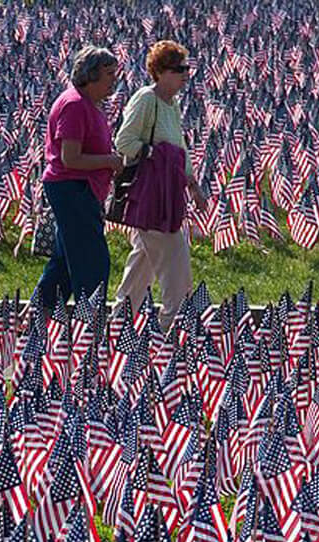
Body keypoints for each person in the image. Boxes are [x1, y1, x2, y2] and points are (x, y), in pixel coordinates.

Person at [113, 40, 209, 328]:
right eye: (180, 69)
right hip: (152, 197)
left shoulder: (171, 105)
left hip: (169, 193)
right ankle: (172, 333)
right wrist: (155, 153)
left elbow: (179, 148)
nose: (185, 76)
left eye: (186, 70)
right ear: (162, 71)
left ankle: (117, 327)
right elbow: (124, 141)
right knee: (176, 270)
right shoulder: (146, 99)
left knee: (139, 271)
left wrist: (192, 184)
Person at [33, 46, 126, 313]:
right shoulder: (74, 105)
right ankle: (91, 326)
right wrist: (109, 161)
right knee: (92, 263)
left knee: (63, 264)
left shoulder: (89, 105)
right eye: (109, 74)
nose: (114, 81)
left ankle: (38, 318)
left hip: (81, 191)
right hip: (73, 189)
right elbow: (70, 158)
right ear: (91, 74)